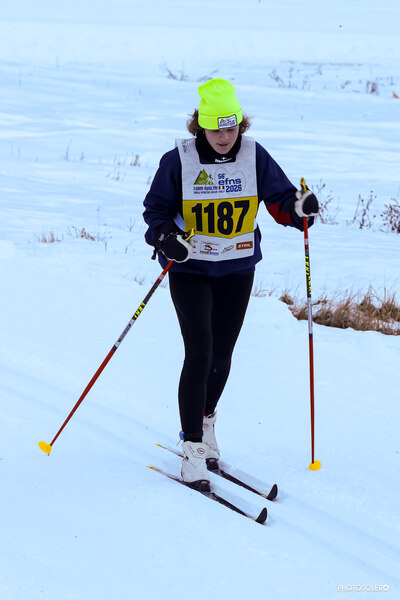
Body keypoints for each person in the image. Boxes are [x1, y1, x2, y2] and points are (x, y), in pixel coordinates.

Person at [143, 78, 318, 491]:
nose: (225, 136)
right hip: (191, 270)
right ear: (200, 126)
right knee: (200, 352)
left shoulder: (254, 155)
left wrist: (301, 209)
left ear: (241, 124)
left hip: (237, 268)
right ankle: (192, 448)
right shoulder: (179, 160)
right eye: (216, 128)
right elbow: (155, 212)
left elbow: (281, 202)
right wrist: (166, 238)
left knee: (222, 355)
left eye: (232, 127)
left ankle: (206, 424)